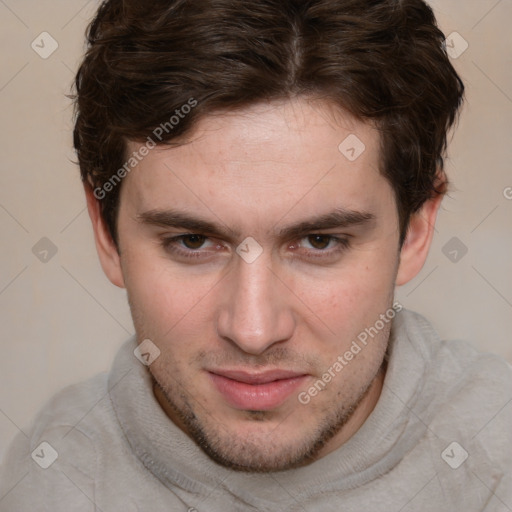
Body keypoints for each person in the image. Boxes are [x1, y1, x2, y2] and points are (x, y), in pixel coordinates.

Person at [1, 0, 511, 510]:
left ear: (416, 229)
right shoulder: (49, 479)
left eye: (319, 242)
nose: (253, 331)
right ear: (105, 232)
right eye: (193, 241)